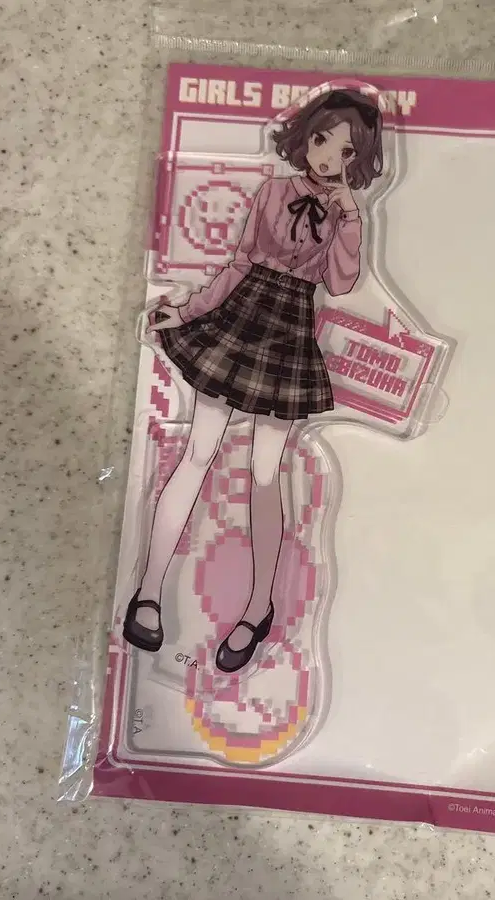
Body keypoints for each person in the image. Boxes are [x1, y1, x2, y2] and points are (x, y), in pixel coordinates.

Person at [122, 88, 384, 674]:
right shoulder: (271, 192)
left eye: (345, 152)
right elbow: (239, 263)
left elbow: (342, 283)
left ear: (358, 160)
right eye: (322, 140)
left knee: (267, 474)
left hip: (289, 329)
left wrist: (350, 216)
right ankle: (148, 590)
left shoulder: (345, 213)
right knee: (198, 453)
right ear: (305, 136)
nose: (327, 157)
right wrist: (188, 311)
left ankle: (259, 607)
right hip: (241, 317)